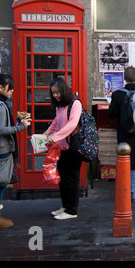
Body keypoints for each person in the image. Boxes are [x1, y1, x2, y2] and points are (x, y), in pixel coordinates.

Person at [0, 73, 31, 229]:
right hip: (0, 149)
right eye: (10, 89)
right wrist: (21, 126)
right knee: (0, 184)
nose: (12, 92)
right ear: (1, 88)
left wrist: (14, 122)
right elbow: (1, 130)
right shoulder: (0, 107)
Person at [108, 66, 135, 201]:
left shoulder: (117, 94)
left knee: (129, 163)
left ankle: (131, 193)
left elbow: (111, 114)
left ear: (124, 78)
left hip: (125, 133)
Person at [43, 78, 83, 219]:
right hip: (62, 147)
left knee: (71, 180)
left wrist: (54, 137)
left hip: (73, 147)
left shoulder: (75, 104)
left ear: (64, 90)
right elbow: (56, 122)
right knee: (63, 179)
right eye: (53, 93)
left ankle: (72, 211)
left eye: (58, 92)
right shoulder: (60, 106)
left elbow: (72, 125)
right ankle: (65, 206)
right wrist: (47, 133)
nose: (56, 95)